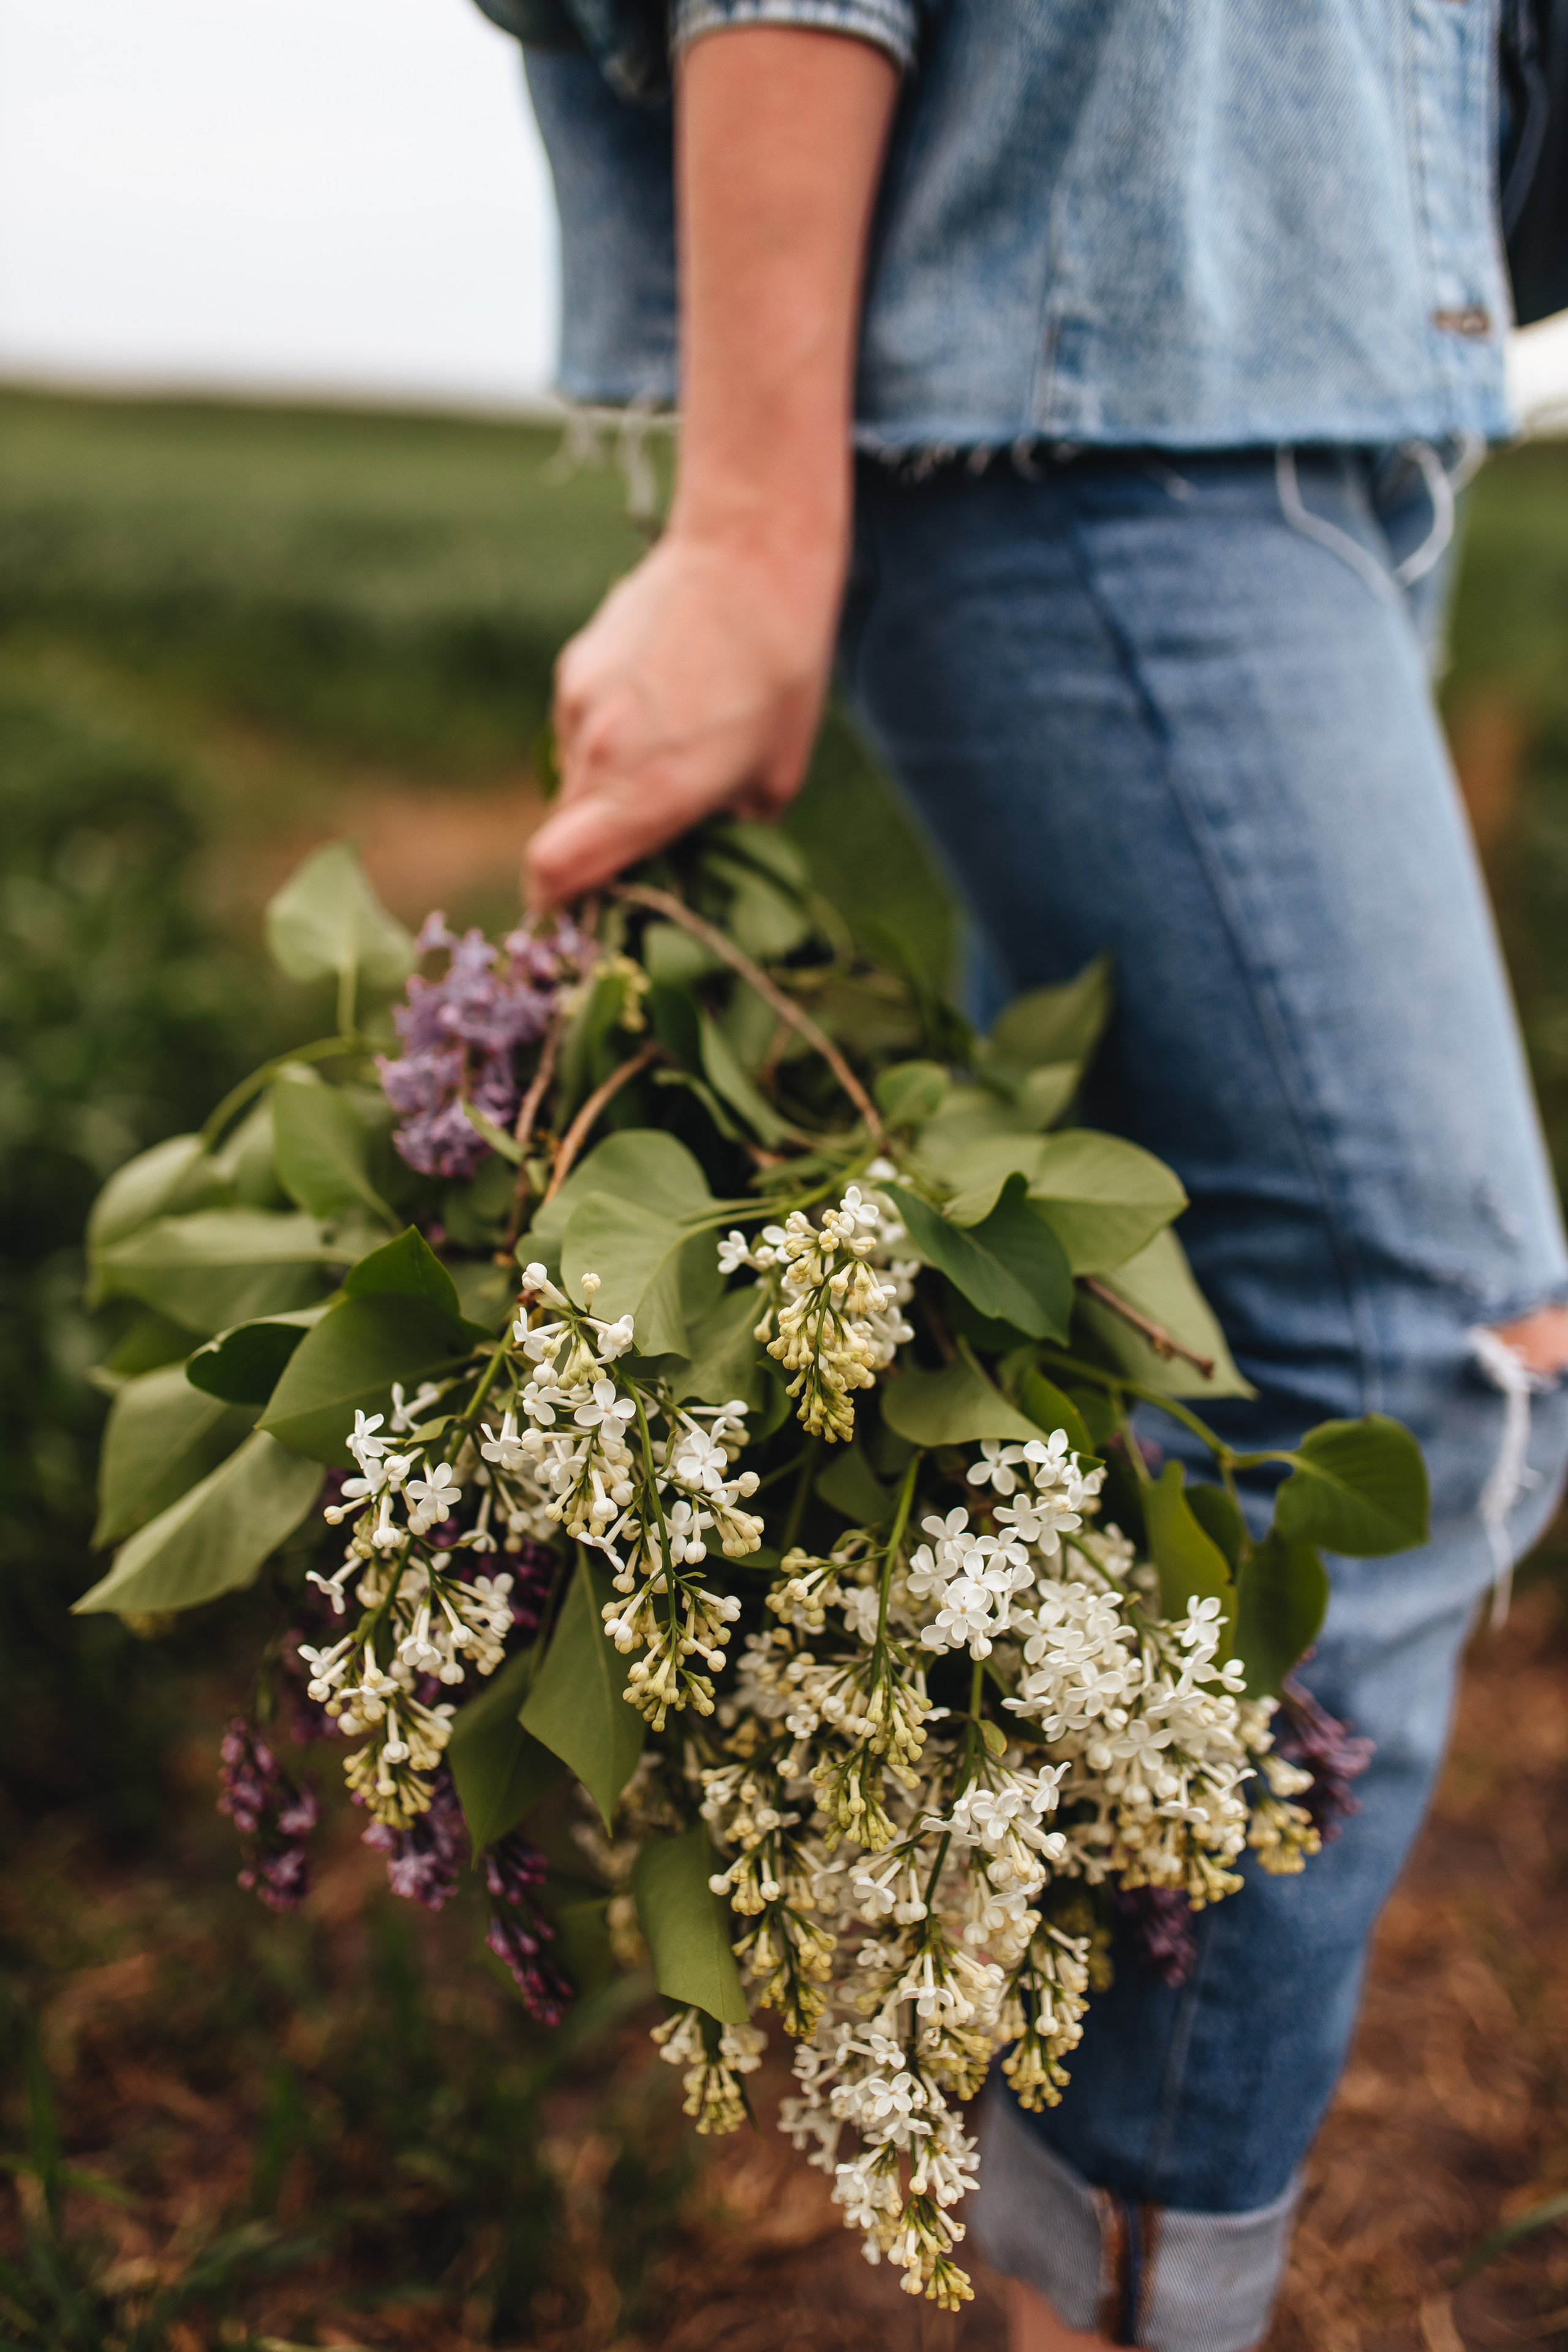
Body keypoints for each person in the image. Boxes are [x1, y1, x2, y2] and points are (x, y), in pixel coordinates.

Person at [473, 4, 1568, 2344]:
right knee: (1417, 1354)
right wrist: (754, 515)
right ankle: (1119, 2299)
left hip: (1321, 352)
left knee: (1130, 1343)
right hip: (1082, 372)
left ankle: (1002, 2123)